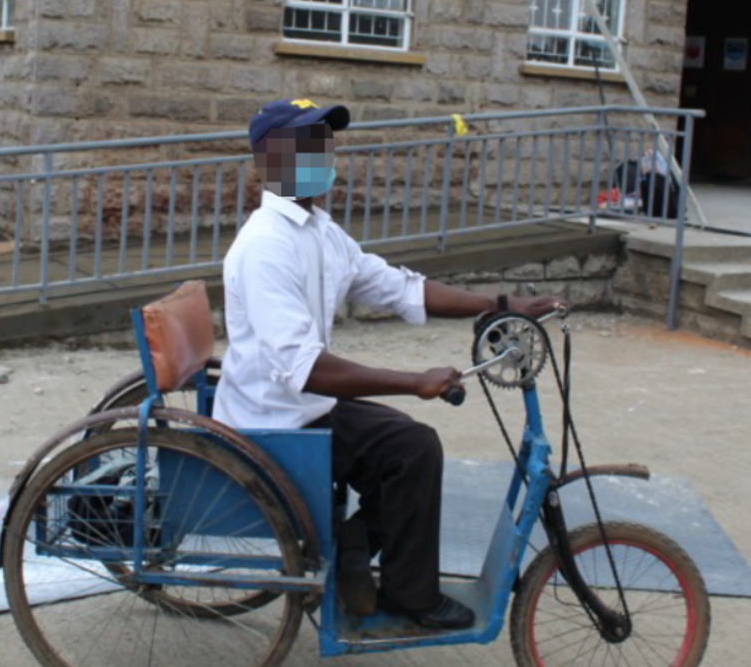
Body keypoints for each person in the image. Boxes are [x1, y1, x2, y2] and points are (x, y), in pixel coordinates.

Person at [214, 98, 563, 630]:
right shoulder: (265, 246)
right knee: (411, 447)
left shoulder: (319, 232)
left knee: (408, 447)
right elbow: (305, 368)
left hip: (304, 406)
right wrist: (414, 382)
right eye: (306, 146)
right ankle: (409, 596)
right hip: (275, 421)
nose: (321, 155)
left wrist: (501, 305)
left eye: (323, 144)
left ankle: (357, 547)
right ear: (270, 162)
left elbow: (399, 287)